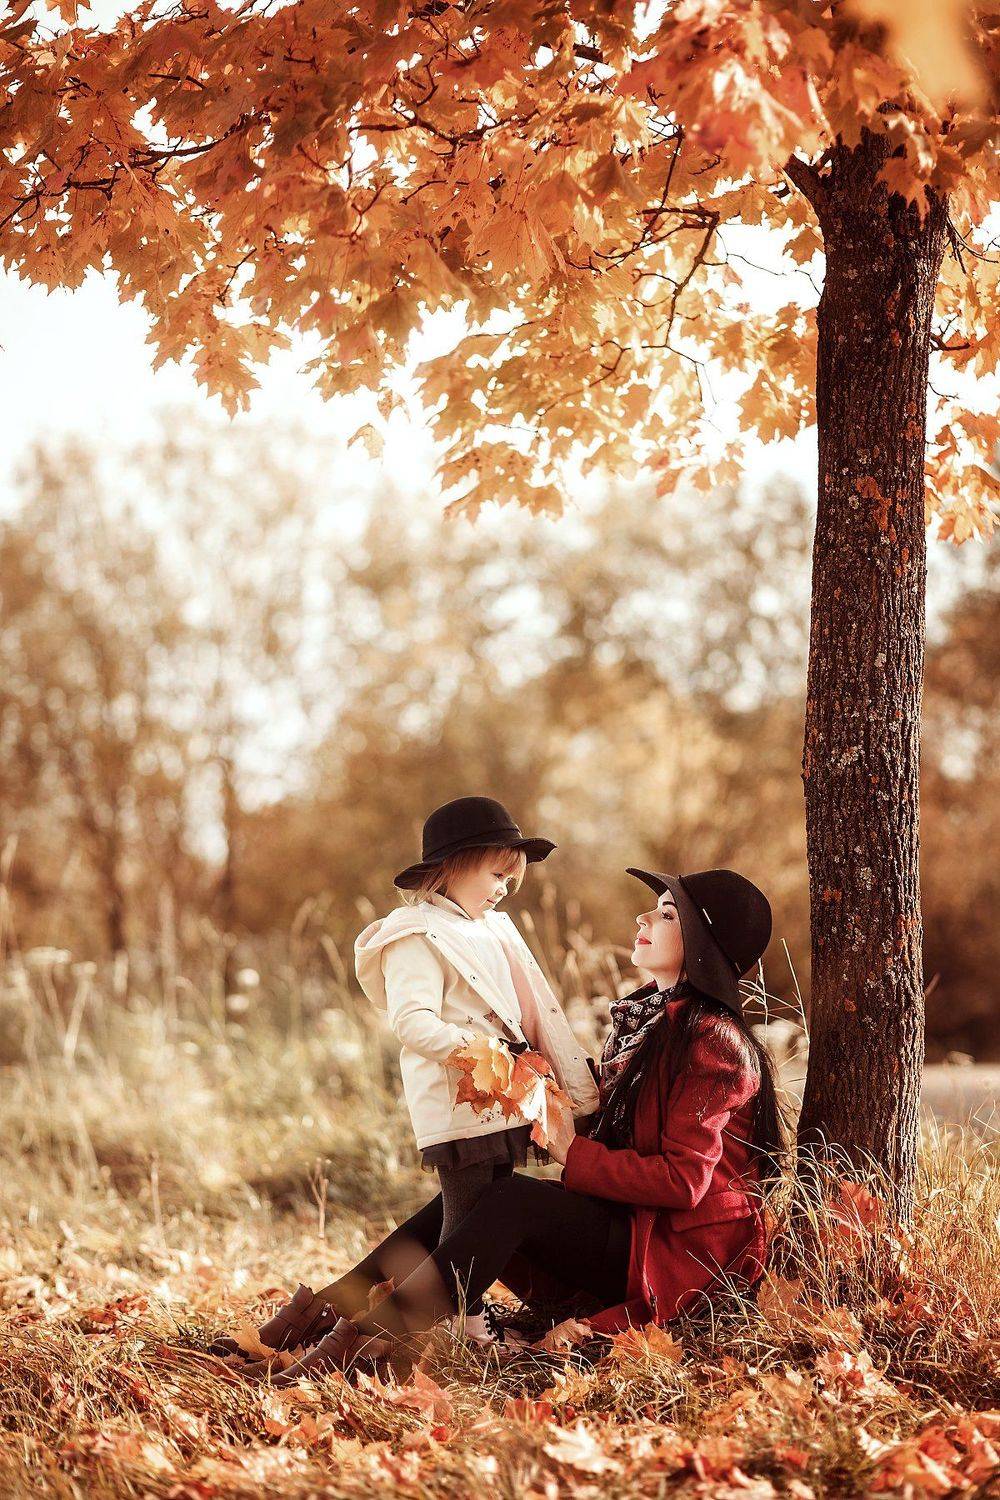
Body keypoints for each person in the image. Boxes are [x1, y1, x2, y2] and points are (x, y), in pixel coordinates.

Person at [218, 863, 788, 1385]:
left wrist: (570, 1150)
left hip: (672, 1256)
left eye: (667, 914)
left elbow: (682, 1183)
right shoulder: (648, 1022)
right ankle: (309, 1323)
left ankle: (361, 1346)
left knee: (511, 1201)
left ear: (702, 944)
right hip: (632, 1227)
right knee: (471, 1196)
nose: (643, 919)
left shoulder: (714, 1043)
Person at [209, 795, 597, 1359]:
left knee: (478, 1215)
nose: (504, 889)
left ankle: (322, 1320)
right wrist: (480, 1052)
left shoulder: (489, 930)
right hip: (459, 1102)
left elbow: (528, 1009)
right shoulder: (416, 935)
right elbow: (413, 1021)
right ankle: (456, 1323)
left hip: (503, 1099)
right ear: (455, 865)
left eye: (510, 880)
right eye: (496, 875)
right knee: (465, 1223)